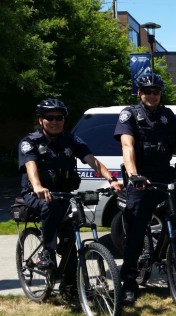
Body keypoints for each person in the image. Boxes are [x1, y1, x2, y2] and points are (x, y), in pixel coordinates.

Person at [114, 73, 176, 305]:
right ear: (139, 93)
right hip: (140, 180)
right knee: (135, 232)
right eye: (147, 91)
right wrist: (134, 174)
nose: (152, 95)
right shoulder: (130, 114)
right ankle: (129, 282)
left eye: (156, 92)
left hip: (164, 178)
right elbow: (128, 145)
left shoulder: (167, 115)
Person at [18, 98, 122, 293]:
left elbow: (92, 160)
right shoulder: (30, 142)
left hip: (63, 194)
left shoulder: (71, 140)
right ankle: (46, 253)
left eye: (60, 117)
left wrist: (111, 179)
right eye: (50, 117)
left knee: (70, 237)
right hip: (35, 194)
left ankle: (70, 285)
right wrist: (39, 186)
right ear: (41, 120)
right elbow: (30, 166)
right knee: (49, 206)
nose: (55, 121)